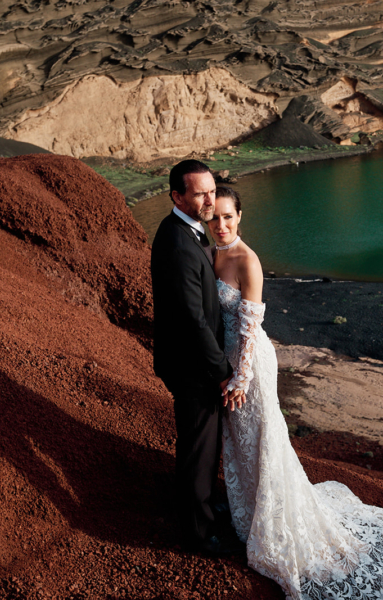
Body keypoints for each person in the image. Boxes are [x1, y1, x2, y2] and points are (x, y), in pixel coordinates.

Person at [209, 186, 383, 599]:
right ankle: (250, 515)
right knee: (243, 442)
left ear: (240, 217)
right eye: (214, 218)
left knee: (263, 438)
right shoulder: (213, 254)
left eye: (228, 217)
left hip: (251, 366)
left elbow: (249, 329)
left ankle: (276, 524)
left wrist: (242, 379)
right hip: (228, 361)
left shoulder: (247, 261)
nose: (221, 225)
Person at [151, 160, 244, 555]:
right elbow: (192, 319)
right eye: (200, 193)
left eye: (212, 190)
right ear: (177, 196)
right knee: (198, 450)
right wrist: (223, 371)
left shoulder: (186, 232)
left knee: (203, 444)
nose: (210, 199)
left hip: (192, 362)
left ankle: (203, 505)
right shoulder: (177, 243)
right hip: (193, 368)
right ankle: (198, 533)